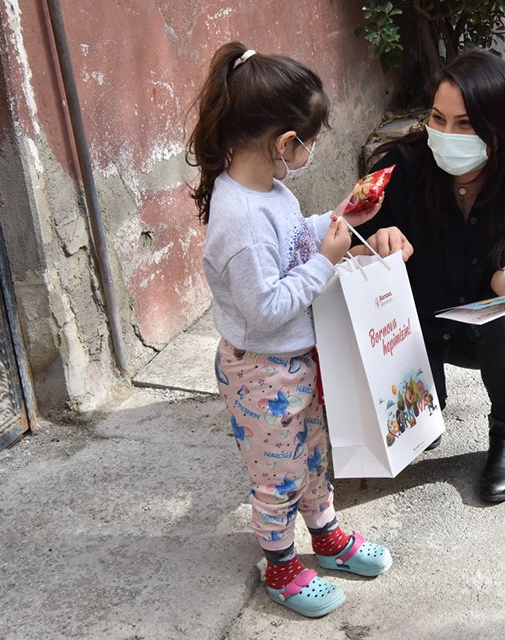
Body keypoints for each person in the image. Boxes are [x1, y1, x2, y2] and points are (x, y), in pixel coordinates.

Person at [186, 43, 393, 618]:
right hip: (261, 371)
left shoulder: (268, 192)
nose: (310, 150)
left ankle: (325, 539)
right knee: (276, 478)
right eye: (309, 140)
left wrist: (337, 220)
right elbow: (265, 308)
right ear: (284, 143)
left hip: (296, 361)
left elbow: (291, 238)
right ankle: (281, 568)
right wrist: (325, 262)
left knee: (312, 458)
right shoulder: (238, 221)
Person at [355, 49, 505, 503]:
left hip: (482, 326)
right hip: (412, 327)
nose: (446, 134)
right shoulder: (398, 169)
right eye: (438, 117)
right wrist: (374, 243)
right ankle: (425, 412)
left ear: (499, 126)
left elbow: (504, 280)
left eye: (466, 123)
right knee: (416, 436)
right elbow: (340, 246)